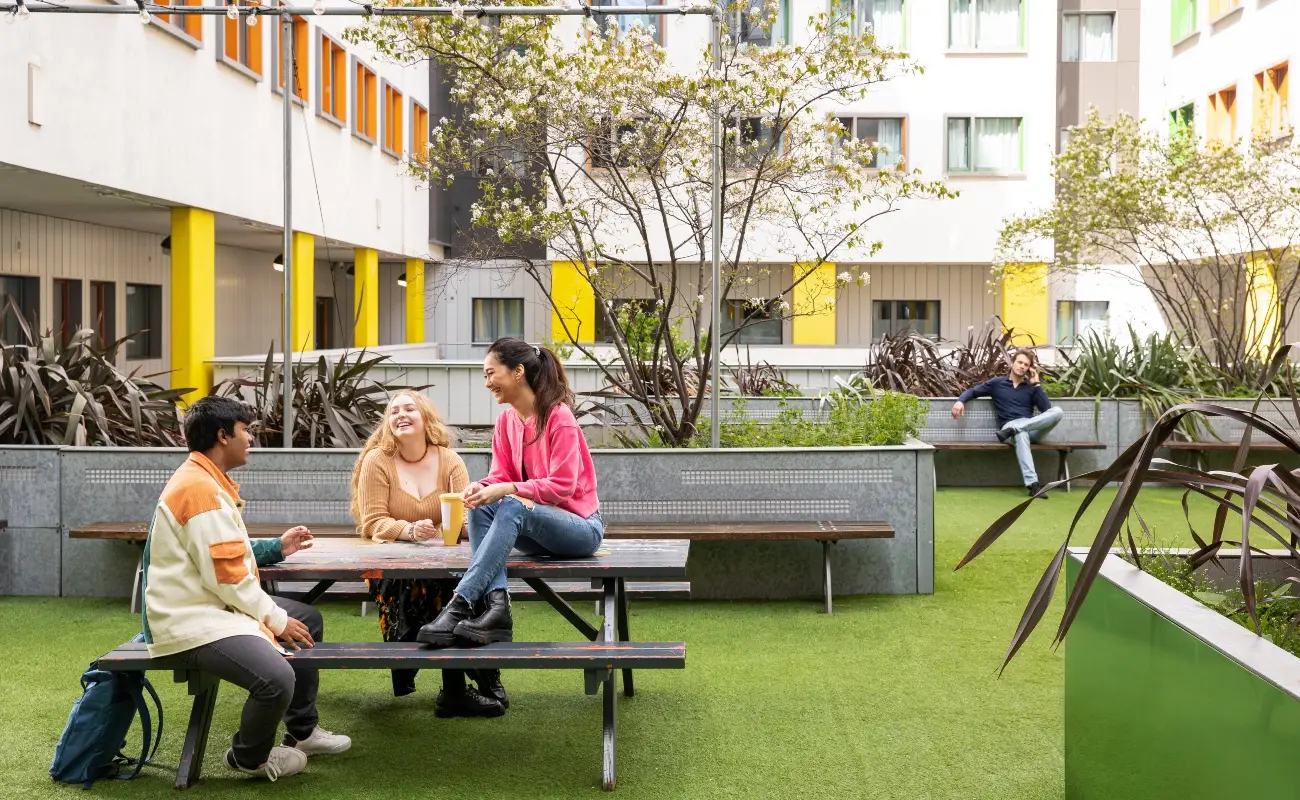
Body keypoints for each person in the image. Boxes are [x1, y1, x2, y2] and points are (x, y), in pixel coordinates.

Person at [140, 396, 351, 783]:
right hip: (191, 620)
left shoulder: (203, 480)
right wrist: (275, 618)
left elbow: (219, 552)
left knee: (308, 618)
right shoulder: (199, 490)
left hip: (209, 605)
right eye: (245, 430)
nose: (250, 439)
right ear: (223, 436)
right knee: (276, 679)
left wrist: (276, 548)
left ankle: (302, 733)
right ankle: (248, 757)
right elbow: (228, 577)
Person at [417, 338, 603, 648]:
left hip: (580, 528)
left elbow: (563, 486)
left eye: (491, 373)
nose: (487, 382)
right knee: (480, 506)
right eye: (485, 376)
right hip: (535, 528)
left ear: (518, 372)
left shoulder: (559, 418)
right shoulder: (506, 422)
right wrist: (483, 487)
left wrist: (508, 489)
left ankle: (459, 605)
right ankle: (497, 609)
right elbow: (501, 474)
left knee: (513, 504)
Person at [350, 392, 508, 718]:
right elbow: (372, 522)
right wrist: (409, 530)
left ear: (425, 418)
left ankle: (459, 689)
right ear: (388, 422)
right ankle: (465, 687)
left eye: (409, 408)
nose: (401, 414)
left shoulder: (450, 460)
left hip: (445, 563)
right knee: (444, 589)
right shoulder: (377, 461)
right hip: (393, 567)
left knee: (463, 584)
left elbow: (466, 522)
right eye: (394, 411)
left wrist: (468, 522)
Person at [951, 348, 1063, 498]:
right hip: (1009, 426)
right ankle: (1034, 485)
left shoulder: (1031, 388)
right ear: (1012, 362)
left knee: (1058, 412)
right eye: (1020, 362)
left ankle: (1017, 429)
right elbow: (973, 391)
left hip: (1030, 427)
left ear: (1029, 368)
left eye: (1026, 364)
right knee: (1020, 434)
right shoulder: (997, 384)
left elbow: (1047, 411)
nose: (1022, 366)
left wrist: (1036, 385)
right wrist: (960, 401)